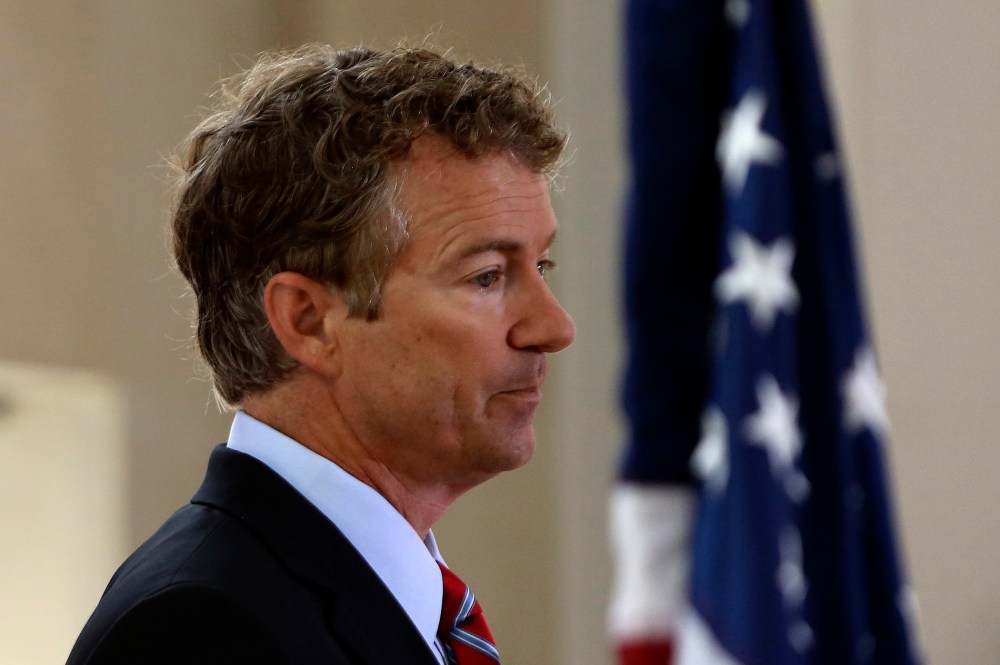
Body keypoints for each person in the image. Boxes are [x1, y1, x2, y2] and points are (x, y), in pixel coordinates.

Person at [67, 43, 575, 664]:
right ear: (308, 322)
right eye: (487, 276)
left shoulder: (373, 599)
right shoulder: (201, 630)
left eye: (541, 265)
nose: (554, 327)